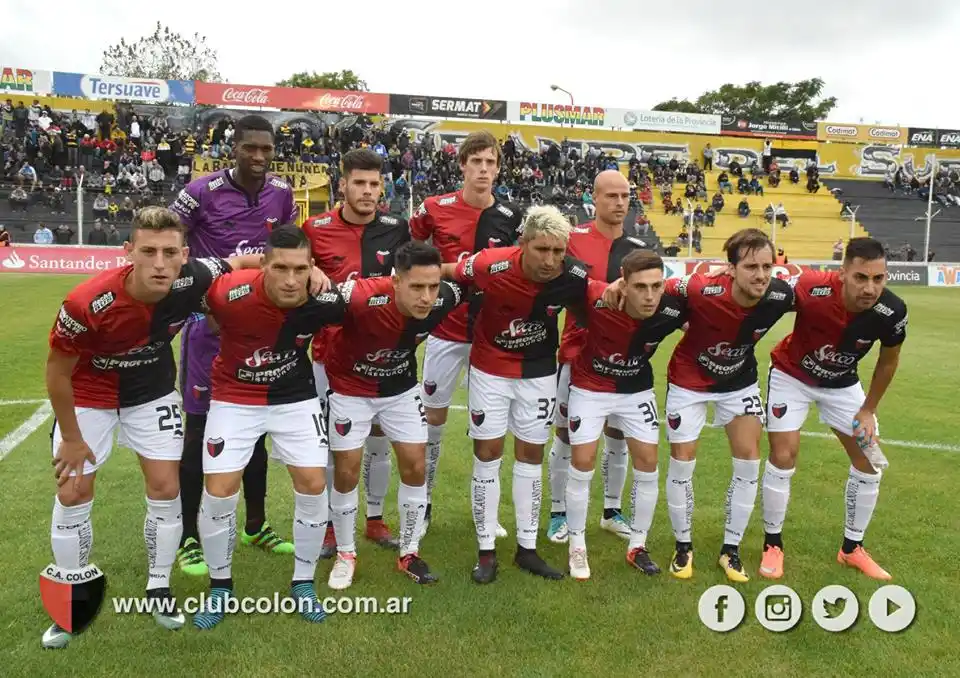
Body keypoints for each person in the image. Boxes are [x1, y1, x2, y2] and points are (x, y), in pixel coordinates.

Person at [41, 207, 275, 649]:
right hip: (90, 396)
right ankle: (71, 599)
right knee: (72, 491)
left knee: (166, 489)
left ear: (185, 254)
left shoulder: (195, 275)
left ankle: (158, 588)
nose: (160, 263)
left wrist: (312, 276)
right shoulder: (85, 303)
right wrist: (71, 438)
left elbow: (245, 262)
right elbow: (56, 372)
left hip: (151, 396)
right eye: (148, 251)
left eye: (170, 252)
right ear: (128, 252)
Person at [609, 229, 795, 582]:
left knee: (749, 463)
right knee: (682, 465)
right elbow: (660, 286)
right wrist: (619, 286)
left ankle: (731, 550)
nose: (760, 275)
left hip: (739, 383)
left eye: (767, 266)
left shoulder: (781, 294)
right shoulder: (699, 288)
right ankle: (683, 547)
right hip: (688, 382)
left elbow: (818, 297)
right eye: (751, 266)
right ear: (731, 268)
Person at [192, 226, 344, 630]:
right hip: (235, 398)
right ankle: (220, 586)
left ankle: (303, 582)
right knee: (219, 490)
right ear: (264, 265)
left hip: (294, 398)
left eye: (300, 269)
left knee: (314, 484)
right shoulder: (227, 292)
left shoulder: (323, 298)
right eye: (280, 268)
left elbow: (375, 302)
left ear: (312, 267)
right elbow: (180, 289)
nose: (291, 279)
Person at [170, 115, 298, 576]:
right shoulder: (199, 192)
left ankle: (256, 525)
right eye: (251, 148)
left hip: (257, 328)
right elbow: (169, 242)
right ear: (235, 148)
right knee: (199, 432)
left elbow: (288, 248)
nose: (259, 157)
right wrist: (222, 267)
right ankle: (188, 536)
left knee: (256, 428)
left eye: (266, 149)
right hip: (208, 330)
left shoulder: (282, 194)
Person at [442, 205, 594, 584]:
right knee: (487, 454)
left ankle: (527, 549)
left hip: (539, 374)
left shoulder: (572, 274)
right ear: (523, 243)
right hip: (490, 371)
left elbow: (592, 301)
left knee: (530, 457)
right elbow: (445, 272)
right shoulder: (490, 264)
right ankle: (486, 552)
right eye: (542, 249)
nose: (550, 259)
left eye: (558, 251)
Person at [759, 238, 907, 580]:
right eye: (861, 278)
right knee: (784, 456)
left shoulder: (892, 312)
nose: (870, 288)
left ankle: (852, 549)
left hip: (842, 385)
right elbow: (768, 293)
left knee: (869, 460)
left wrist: (868, 409)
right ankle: (773, 544)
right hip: (790, 376)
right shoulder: (812, 287)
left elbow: (889, 361)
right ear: (843, 273)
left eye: (878, 278)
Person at [325, 242, 466, 590]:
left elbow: (470, 281)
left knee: (416, 465)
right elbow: (312, 306)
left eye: (433, 287)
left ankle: (409, 551)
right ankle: (345, 554)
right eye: (417, 287)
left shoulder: (445, 297)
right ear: (396, 282)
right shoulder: (358, 297)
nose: (427, 297)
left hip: (400, 390)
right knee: (345, 469)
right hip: (349, 390)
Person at [409, 131, 523, 538]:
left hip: (493, 336)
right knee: (432, 421)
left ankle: (487, 515)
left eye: (491, 163)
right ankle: (422, 505)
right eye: (476, 162)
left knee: (490, 428)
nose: (484, 170)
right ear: (462, 166)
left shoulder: (511, 217)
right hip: (445, 330)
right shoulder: (433, 209)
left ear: (497, 167)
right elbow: (409, 252)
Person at [303, 147, 411, 558]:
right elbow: (290, 269)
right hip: (329, 354)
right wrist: (310, 267)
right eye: (359, 183)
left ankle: (376, 519)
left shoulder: (396, 228)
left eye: (374, 184)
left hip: (384, 351)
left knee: (380, 439)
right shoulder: (315, 228)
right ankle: (333, 524)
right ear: (343, 184)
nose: (367, 191)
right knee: (337, 444)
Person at [564, 250, 687, 579]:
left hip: (636, 390)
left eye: (656, 286)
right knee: (583, 460)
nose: (649, 295)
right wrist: (607, 284)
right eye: (640, 287)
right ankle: (576, 544)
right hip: (590, 387)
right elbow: (570, 273)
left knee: (648, 463)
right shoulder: (597, 298)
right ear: (625, 284)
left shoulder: (673, 306)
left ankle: (638, 545)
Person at [547, 170, 647, 545]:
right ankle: (558, 513)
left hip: (624, 357)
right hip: (577, 354)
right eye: (611, 196)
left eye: (625, 196)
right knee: (566, 435)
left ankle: (611, 510)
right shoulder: (572, 241)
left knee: (618, 434)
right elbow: (560, 284)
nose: (620, 203)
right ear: (595, 198)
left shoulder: (637, 246)